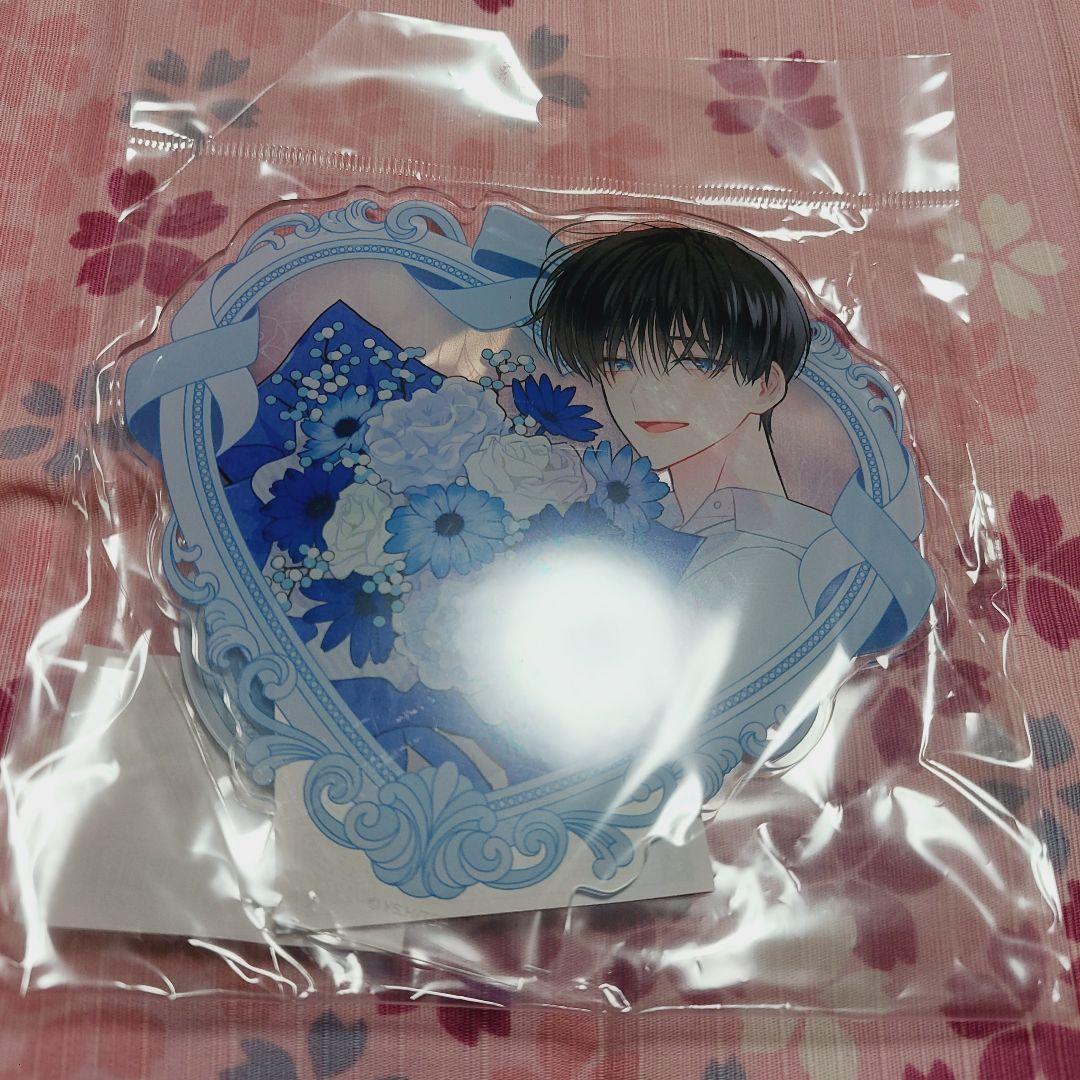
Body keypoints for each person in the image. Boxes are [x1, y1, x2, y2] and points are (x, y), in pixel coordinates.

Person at [529, 225, 842, 692]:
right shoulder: (661, 528)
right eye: (620, 363)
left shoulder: (785, 558)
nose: (644, 393)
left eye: (691, 361)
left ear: (765, 385)